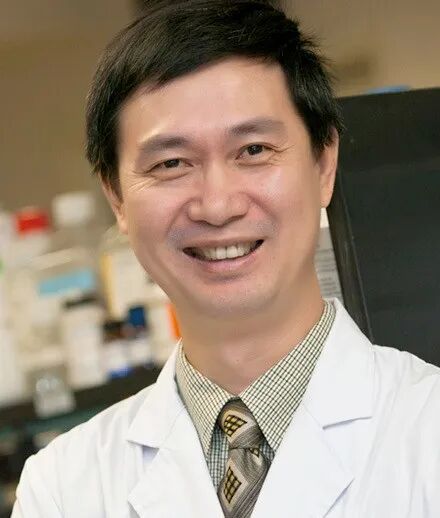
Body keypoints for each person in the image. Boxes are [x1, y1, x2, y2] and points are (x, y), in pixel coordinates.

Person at [12, 1, 440, 517]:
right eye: (172, 163)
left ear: (324, 165)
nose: (217, 206)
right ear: (117, 199)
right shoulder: (64, 488)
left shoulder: (427, 431)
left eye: (253, 150)